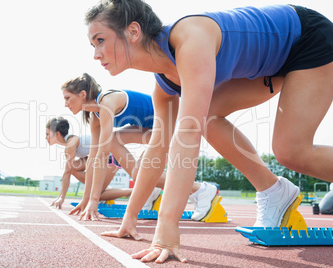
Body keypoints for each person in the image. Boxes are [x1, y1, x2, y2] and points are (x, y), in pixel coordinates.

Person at [85, 1, 333, 263]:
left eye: (100, 40)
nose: (96, 54)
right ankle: (273, 190)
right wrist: (130, 218)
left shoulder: (190, 39)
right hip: (273, 63)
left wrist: (167, 226)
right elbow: (156, 150)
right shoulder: (164, 86)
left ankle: (275, 188)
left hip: (305, 38)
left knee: (291, 151)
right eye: (93, 45)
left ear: (133, 32)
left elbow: (188, 132)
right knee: (209, 116)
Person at [61, 73, 218, 221]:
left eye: (68, 98)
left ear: (82, 94)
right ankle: (152, 190)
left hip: (168, 122)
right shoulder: (95, 115)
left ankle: (201, 190)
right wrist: (86, 199)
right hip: (150, 127)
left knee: (138, 172)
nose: (65, 104)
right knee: (128, 160)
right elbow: (93, 157)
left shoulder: (106, 102)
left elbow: (102, 155)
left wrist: (94, 200)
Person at [45, 117, 132, 209]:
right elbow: (73, 168)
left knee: (96, 195)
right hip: (101, 157)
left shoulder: (71, 143)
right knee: (73, 168)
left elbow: (66, 172)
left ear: (57, 134)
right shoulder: (70, 145)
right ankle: (103, 190)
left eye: (47, 134)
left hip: (113, 155)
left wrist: (61, 197)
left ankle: (132, 191)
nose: (46, 137)